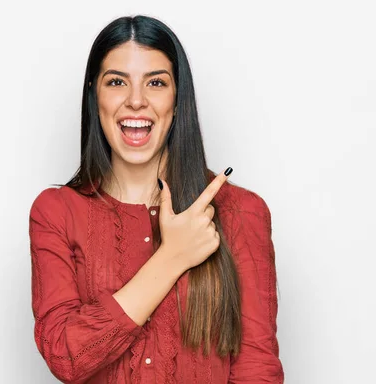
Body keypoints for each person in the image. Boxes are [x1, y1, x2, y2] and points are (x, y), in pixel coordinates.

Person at [28, 15, 284, 383]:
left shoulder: (241, 212)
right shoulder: (55, 213)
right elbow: (66, 356)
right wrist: (172, 257)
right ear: (94, 96)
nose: (136, 101)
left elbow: (256, 370)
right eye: (116, 82)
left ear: (178, 100)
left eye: (156, 83)